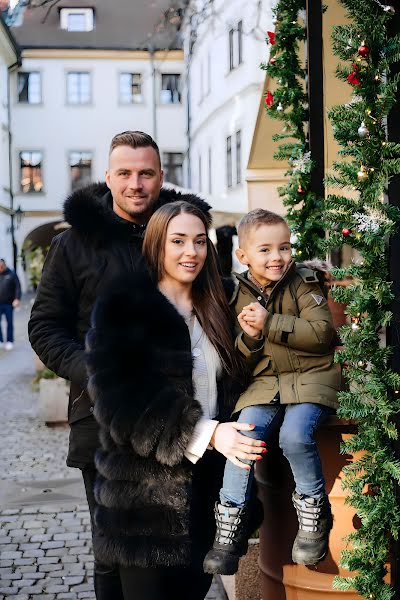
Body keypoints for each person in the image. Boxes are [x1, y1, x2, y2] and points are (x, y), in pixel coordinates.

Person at [28, 131, 229, 599]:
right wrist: (102, 375)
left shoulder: (182, 233)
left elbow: (216, 307)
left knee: (186, 549)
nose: (135, 183)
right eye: (125, 173)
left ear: (162, 176)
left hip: (186, 418)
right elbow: (45, 328)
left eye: (145, 173)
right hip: (103, 421)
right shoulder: (74, 245)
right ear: (108, 176)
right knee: (115, 556)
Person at [85, 201, 265, 600]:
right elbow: (121, 405)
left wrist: (306, 279)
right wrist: (209, 433)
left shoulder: (222, 301)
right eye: (178, 241)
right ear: (156, 245)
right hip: (144, 499)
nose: (192, 252)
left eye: (200, 241)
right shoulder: (124, 306)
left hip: (208, 490)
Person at [204, 208, 342, 574]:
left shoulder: (304, 282)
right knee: (242, 435)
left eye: (283, 247)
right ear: (243, 256)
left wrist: (271, 323)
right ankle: (229, 526)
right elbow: (237, 362)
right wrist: (249, 338)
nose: (277, 257)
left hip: (311, 379)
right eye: (265, 250)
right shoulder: (235, 294)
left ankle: (314, 513)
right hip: (264, 385)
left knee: (295, 436)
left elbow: (322, 336)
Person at [0, 258, 21, 350]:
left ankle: (10, 341)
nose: (0, 268)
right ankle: (0, 341)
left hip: (8, 304)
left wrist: (17, 299)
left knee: (9, 323)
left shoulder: (11, 274)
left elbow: (17, 287)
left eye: (1, 266)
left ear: (4, 265)